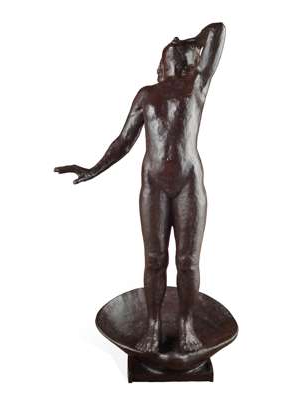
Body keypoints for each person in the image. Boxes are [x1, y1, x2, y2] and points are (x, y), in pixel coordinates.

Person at [55, 23, 226, 352]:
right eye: (169, 46)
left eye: (178, 46)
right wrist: (92, 169)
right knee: (154, 259)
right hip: (154, 185)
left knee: (188, 261)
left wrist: (189, 42)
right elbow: (123, 141)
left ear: (188, 60)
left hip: (189, 184)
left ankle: (187, 325)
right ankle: (153, 324)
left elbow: (217, 30)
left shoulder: (196, 85)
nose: (173, 43)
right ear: (161, 63)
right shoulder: (147, 94)